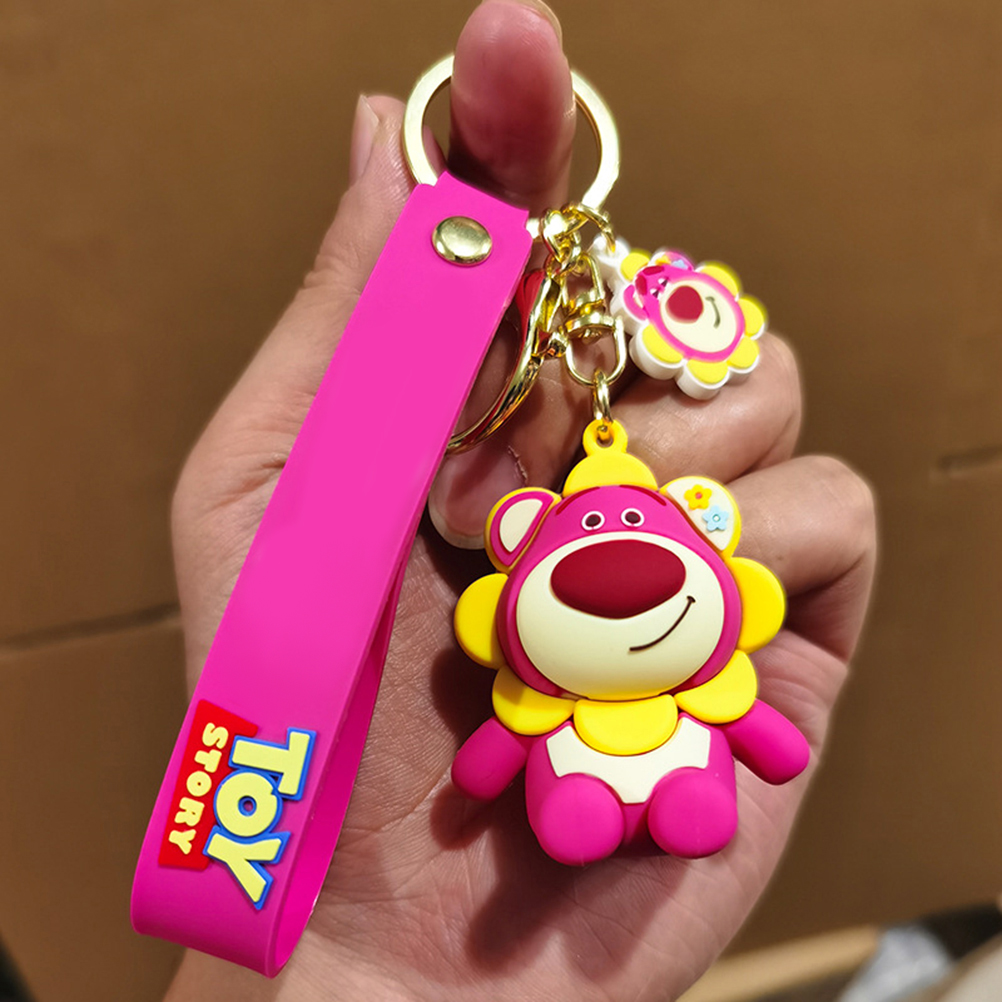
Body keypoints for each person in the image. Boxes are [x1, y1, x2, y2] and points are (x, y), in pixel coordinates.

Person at [164, 1, 876, 998]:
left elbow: (764, 741)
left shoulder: (698, 666)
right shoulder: (524, 669)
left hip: (666, 763)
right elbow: (488, 760)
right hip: (506, 802)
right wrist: (354, 956)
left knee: (686, 790)